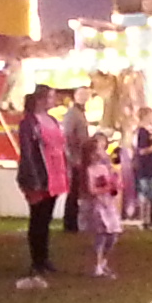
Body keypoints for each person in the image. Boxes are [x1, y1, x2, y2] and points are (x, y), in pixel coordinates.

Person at [14, 85, 64, 275]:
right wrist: (32, 176)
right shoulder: (29, 123)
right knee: (38, 217)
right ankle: (37, 259)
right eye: (51, 98)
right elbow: (27, 152)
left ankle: (44, 258)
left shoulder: (52, 120)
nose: (54, 101)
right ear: (41, 100)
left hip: (54, 172)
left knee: (46, 217)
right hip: (39, 174)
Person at [84, 133, 124, 279]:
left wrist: (115, 184)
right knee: (100, 235)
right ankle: (97, 264)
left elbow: (116, 187)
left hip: (109, 205)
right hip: (99, 205)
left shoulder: (108, 168)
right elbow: (92, 190)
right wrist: (106, 188)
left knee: (113, 234)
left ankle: (103, 261)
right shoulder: (90, 170)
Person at [60, 89, 91, 236]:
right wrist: (73, 157)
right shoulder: (73, 114)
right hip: (75, 158)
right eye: (82, 95)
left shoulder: (79, 114)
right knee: (73, 191)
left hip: (79, 157)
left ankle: (73, 222)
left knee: (76, 191)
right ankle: (70, 223)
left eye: (87, 95)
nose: (85, 98)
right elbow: (67, 136)